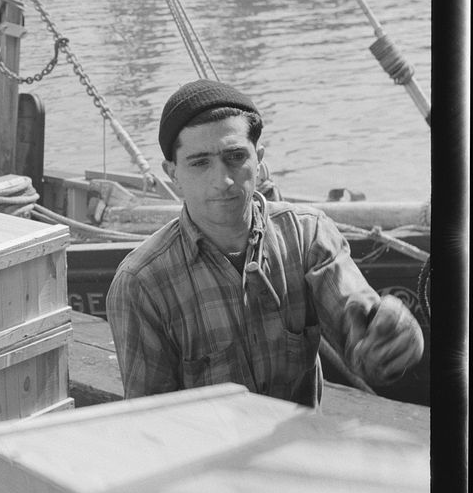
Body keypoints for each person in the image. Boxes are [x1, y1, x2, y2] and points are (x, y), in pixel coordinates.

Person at [106, 78, 424, 408]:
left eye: (235, 157)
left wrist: (392, 339)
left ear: (258, 159)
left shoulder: (307, 236)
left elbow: (357, 323)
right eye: (200, 162)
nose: (223, 180)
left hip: (298, 449)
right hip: (204, 457)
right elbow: (150, 421)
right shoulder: (140, 284)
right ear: (172, 173)